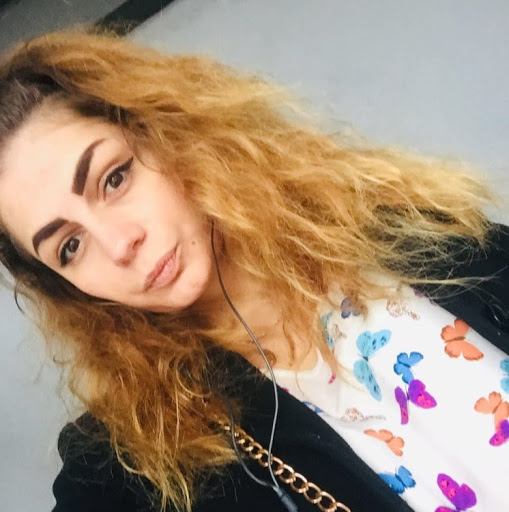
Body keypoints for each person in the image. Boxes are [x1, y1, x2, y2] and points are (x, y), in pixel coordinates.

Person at [0, 29, 507, 512]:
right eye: (70, 246)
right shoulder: (133, 457)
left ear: (162, 131)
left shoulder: (396, 230)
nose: (119, 245)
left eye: (114, 179)